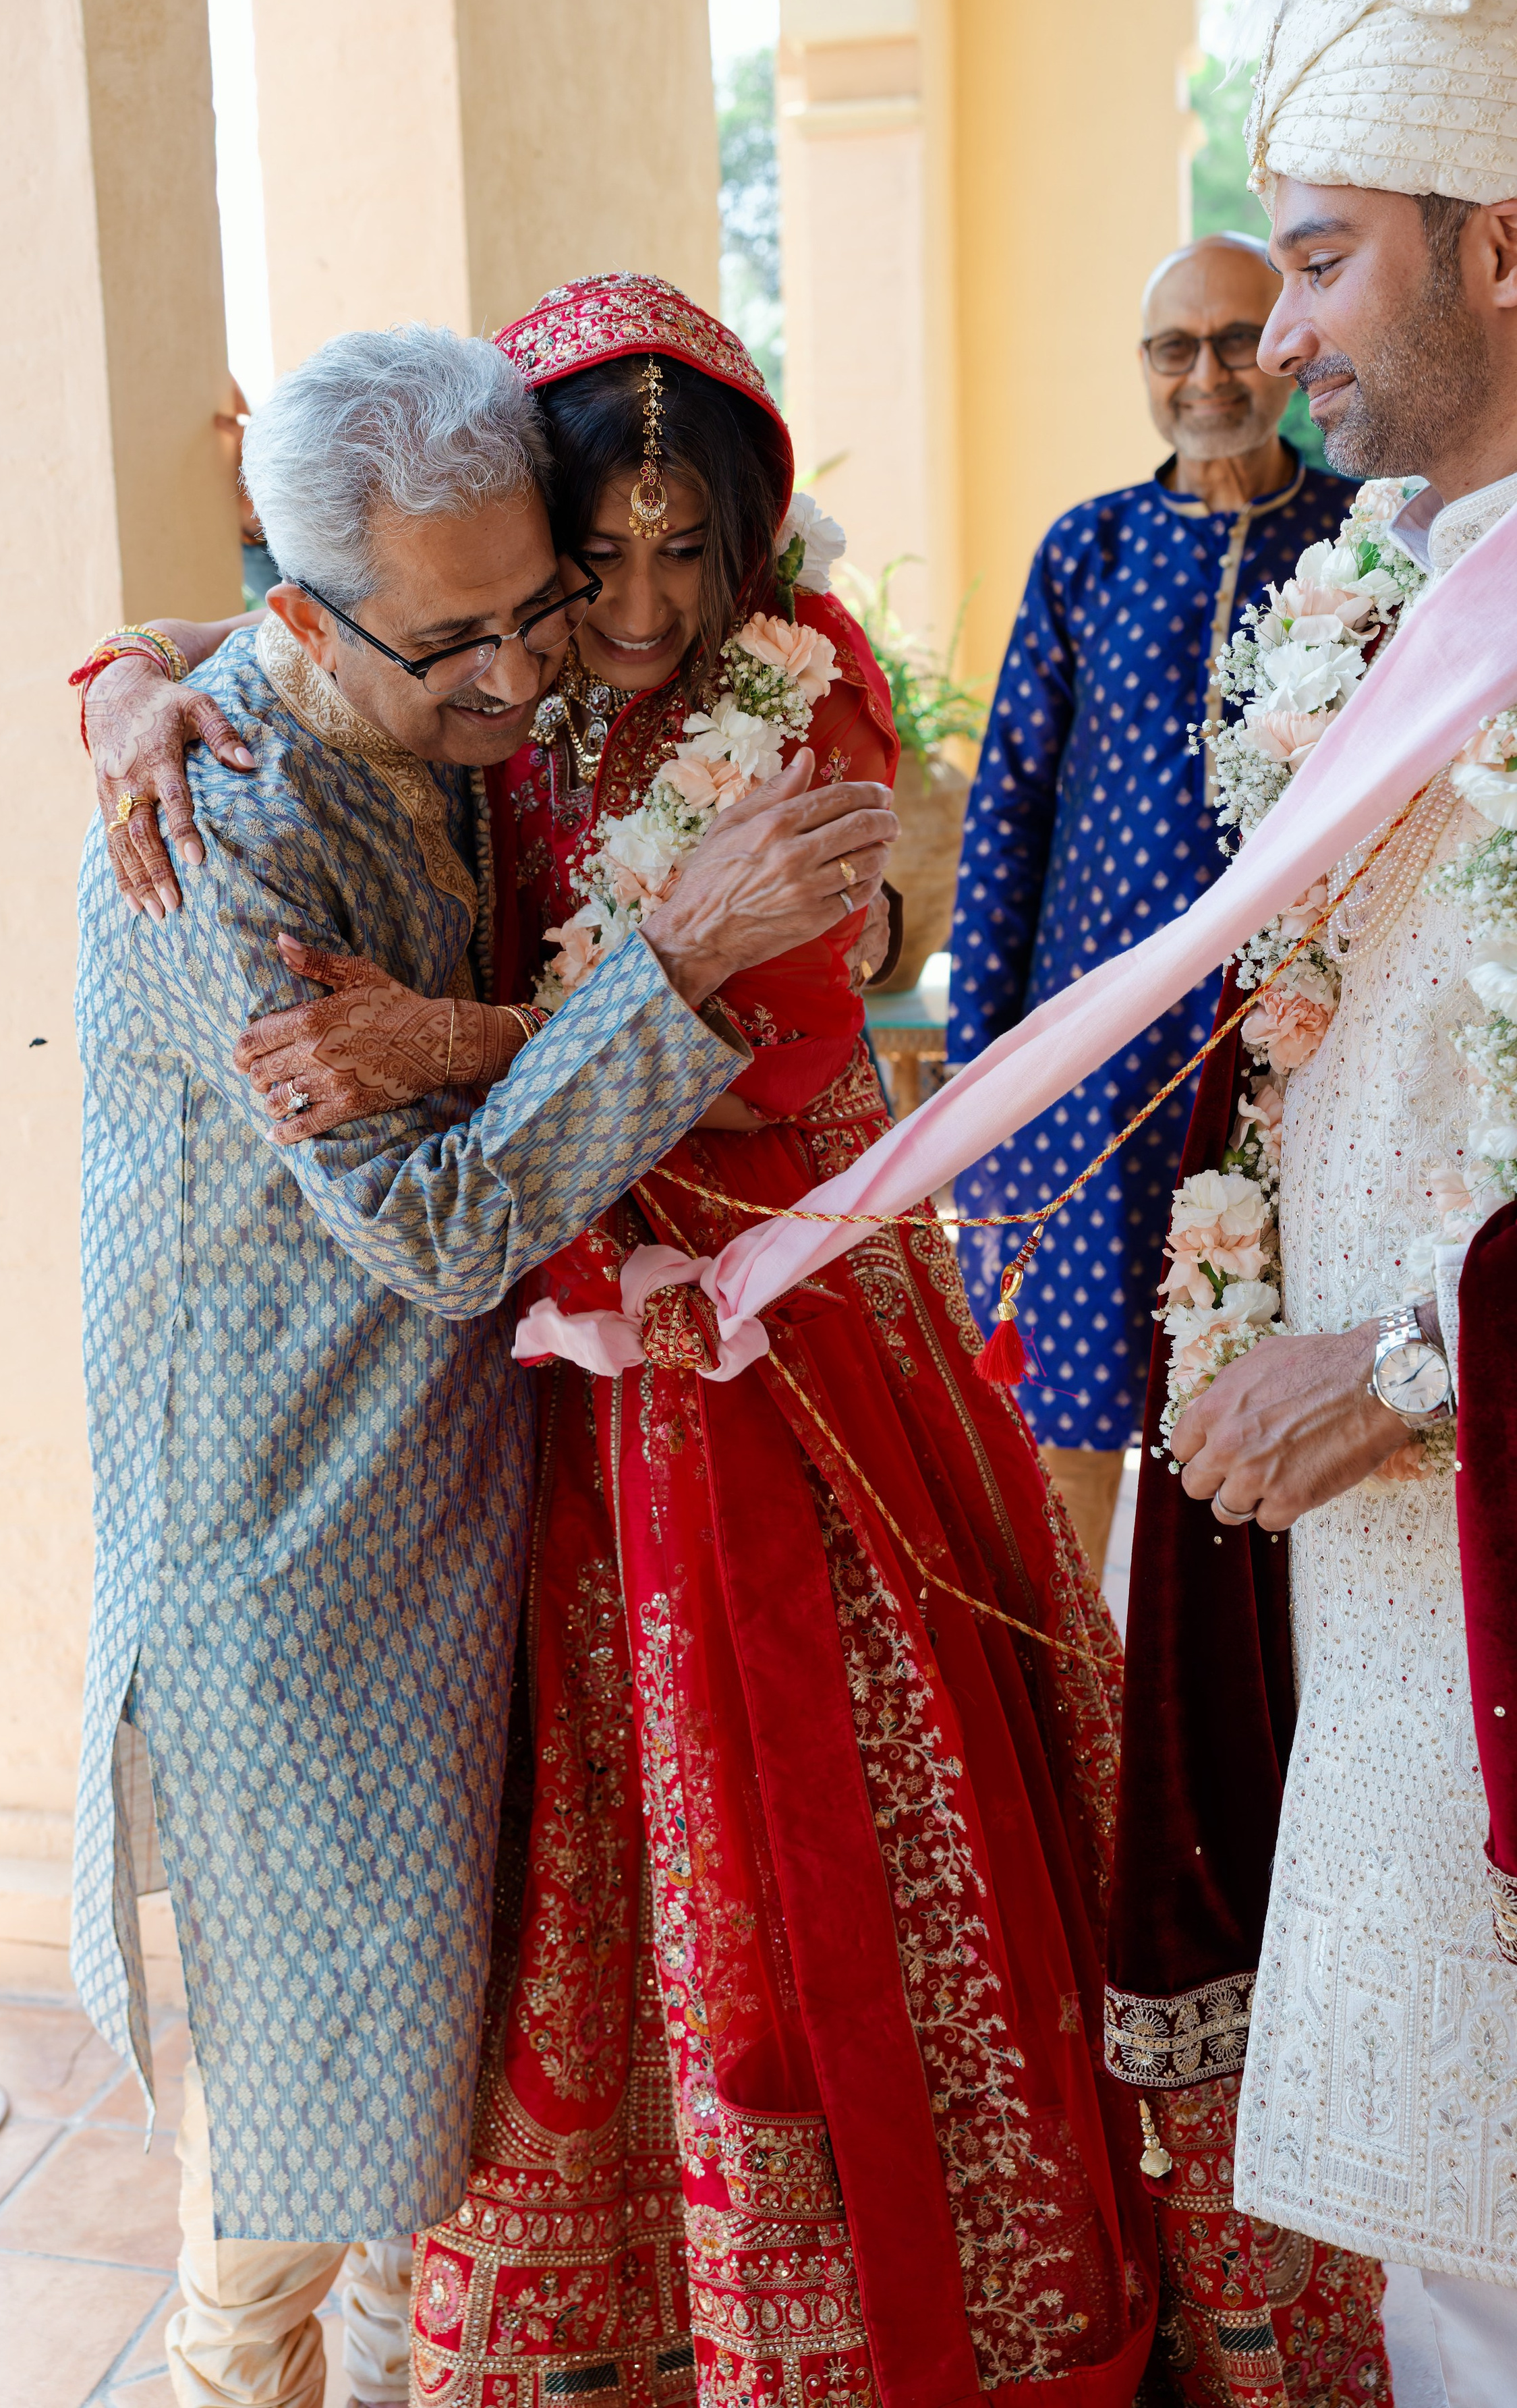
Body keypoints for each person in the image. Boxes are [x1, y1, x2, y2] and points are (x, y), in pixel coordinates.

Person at [84, 275, 1159, 2405]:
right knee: (369, 2050)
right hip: (356, 1468)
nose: (607, 623)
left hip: (717, 1359)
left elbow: (790, 1040)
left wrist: (458, 1025)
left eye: (676, 558)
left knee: (564, 1969)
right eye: (596, 567)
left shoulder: (756, 688)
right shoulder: (347, 755)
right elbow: (457, 1197)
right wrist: (124, 679)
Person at [1108, 0, 1517, 2399]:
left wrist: (1421, 1356)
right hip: (1385, 1575)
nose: (1276, 328)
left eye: (1332, 256)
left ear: (1508, 252)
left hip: (1469, 1468)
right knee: (1453, 2241)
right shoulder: (1386, 584)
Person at [949, 234, 1357, 1577]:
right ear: (1143, 368)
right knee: (1065, 1402)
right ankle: (1076, 1739)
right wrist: (977, 1080)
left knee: (1251, 1383)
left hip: (1284, 1044)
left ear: (1285, 346)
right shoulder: (1089, 551)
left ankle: (1216, 1741)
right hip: (1090, 1051)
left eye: (1234, 339)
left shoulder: (1354, 535)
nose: (1206, 374)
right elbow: (1006, 806)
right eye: (1172, 348)